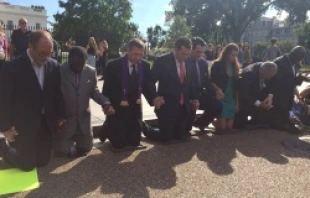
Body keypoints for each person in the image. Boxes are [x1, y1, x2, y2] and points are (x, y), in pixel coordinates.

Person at [0, 30, 65, 171]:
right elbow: (4, 99)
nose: (46, 58)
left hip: (45, 122)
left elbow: (57, 93)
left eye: (49, 53)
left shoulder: (54, 66)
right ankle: (5, 149)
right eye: (42, 53)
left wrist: (60, 115)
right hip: (23, 124)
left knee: (43, 161)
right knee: (27, 165)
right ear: (31, 46)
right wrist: (5, 127)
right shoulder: (13, 67)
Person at [98, 38, 159, 152]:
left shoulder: (144, 66)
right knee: (118, 144)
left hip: (135, 109)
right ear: (128, 50)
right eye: (135, 54)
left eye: (141, 55)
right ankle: (108, 127)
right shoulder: (113, 65)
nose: (138, 58)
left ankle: (137, 125)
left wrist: (154, 98)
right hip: (117, 109)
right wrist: (106, 105)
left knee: (134, 142)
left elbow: (147, 86)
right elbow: (106, 90)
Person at [54, 46, 114, 157]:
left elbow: (94, 91)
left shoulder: (90, 72)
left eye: (81, 65)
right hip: (66, 121)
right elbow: (54, 96)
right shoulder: (59, 71)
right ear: (69, 60)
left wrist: (105, 102)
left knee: (87, 147)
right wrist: (57, 116)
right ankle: (65, 142)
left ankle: (77, 141)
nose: (79, 68)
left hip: (83, 120)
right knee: (61, 152)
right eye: (75, 66)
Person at [144, 37, 199, 142]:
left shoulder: (190, 61)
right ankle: (147, 129)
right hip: (167, 105)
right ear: (176, 49)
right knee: (166, 138)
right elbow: (150, 81)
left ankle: (165, 126)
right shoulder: (162, 60)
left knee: (180, 136)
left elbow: (191, 83)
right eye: (183, 54)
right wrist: (155, 97)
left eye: (188, 54)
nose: (186, 57)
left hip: (183, 106)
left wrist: (195, 98)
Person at [186, 37, 222, 133]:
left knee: (217, 105)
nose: (200, 55)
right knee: (186, 130)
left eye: (202, 52)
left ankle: (200, 123)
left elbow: (206, 81)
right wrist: (192, 99)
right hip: (187, 96)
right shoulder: (184, 62)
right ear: (191, 49)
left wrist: (215, 91)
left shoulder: (203, 63)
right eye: (198, 52)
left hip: (200, 93)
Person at [270, 46, 307, 133]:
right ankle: (279, 125)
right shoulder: (280, 62)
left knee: (286, 112)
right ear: (293, 54)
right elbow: (278, 82)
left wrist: (300, 78)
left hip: (287, 94)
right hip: (279, 95)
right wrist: (298, 79)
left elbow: (291, 80)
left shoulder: (292, 62)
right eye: (299, 58)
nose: (299, 61)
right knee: (279, 114)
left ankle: (285, 123)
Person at [234, 62, 278, 129]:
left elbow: (271, 83)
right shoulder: (248, 74)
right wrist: (259, 104)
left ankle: (258, 118)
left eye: (270, 77)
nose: (268, 78)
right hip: (244, 97)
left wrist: (270, 96)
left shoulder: (266, 68)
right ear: (261, 71)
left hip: (257, 92)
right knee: (239, 125)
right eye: (267, 77)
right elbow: (244, 94)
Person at [211, 43, 240, 133]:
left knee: (229, 127)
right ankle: (213, 121)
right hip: (222, 95)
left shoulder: (235, 67)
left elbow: (237, 86)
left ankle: (219, 121)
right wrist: (217, 90)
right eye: (232, 55)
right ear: (226, 54)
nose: (234, 57)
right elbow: (211, 81)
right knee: (223, 128)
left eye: (236, 55)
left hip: (231, 97)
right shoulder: (217, 64)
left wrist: (237, 102)